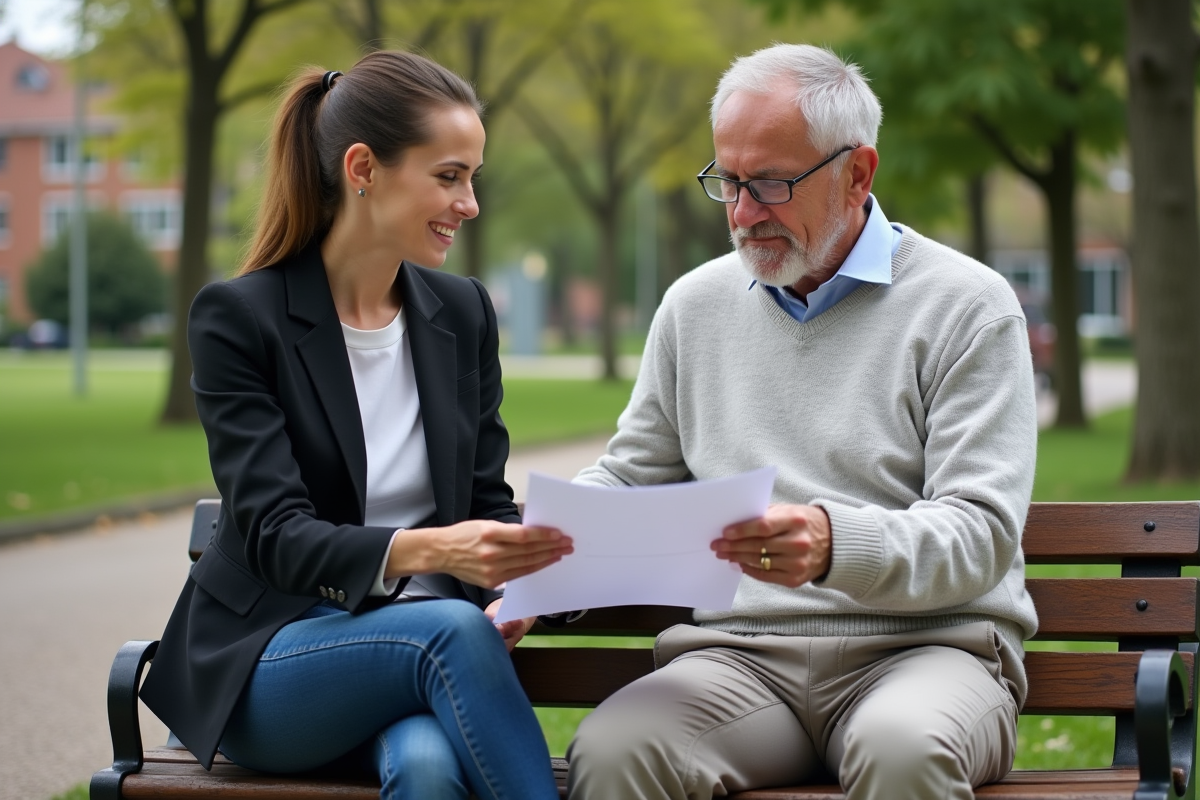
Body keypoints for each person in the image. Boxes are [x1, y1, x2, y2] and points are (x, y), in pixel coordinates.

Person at [566, 43, 1038, 800]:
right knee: (619, 749)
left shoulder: (968, 307)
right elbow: (630, 474)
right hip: (739, 658)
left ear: (858, 174)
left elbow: (980, 533)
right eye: (729, 181)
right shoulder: (694, 306)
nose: (744, 213)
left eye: (773, 183)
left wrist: (830, 543)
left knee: (902, 751)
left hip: (930, 651)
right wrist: (545, 553)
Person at [138, 51, 572, 800]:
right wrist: (436, 551)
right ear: (363, 168)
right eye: (448, 175)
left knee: (430, 770)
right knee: (451, 631)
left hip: (420, 650)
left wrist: (512, 592)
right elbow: (276, 535)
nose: (470, 203)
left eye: (472, 176)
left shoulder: (462, 312)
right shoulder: (241, 318)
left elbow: (484, 499)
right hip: (270, 658)